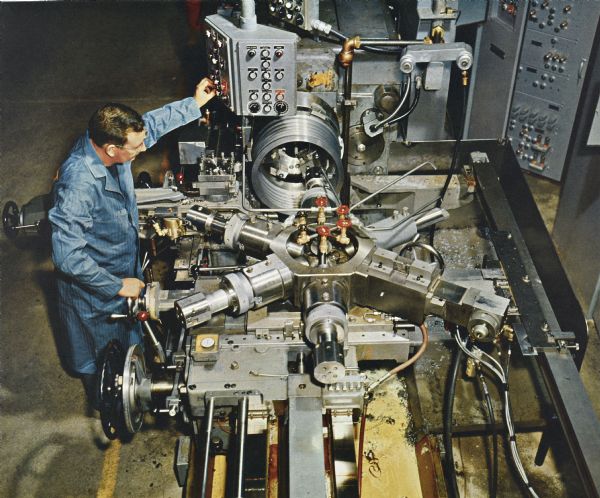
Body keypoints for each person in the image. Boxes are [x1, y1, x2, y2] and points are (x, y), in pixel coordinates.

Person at [49, 78, 216, 408]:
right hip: (94, 287)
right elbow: (66, 255)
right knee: (102, 361)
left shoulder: (111, 144)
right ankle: (108, 404)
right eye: (136, 147)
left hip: (120, 260)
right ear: (112, 149)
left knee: (129, 338)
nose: (143, 150)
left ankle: (134, 374)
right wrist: (115, 285)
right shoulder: (79, 183)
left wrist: (195, 103)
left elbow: (150, 125)